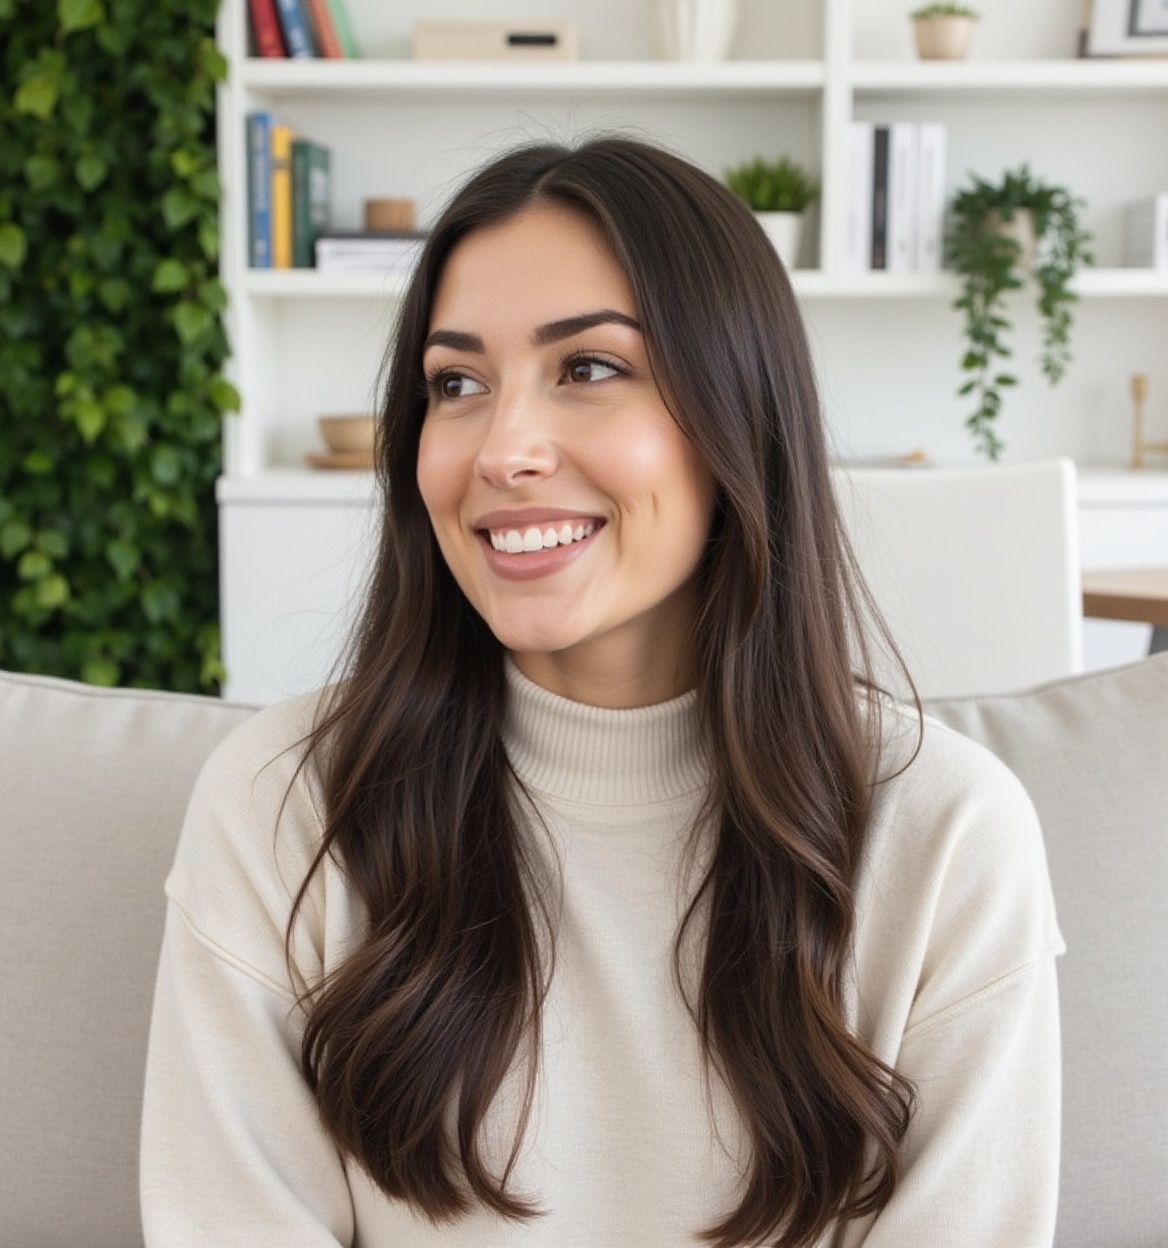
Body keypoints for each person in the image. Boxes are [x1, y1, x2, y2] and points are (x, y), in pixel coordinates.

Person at [140, 136, 1063, 1247]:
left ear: (739, 413)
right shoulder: (285, 810)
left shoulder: (947, 840)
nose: (502, 448)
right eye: (457, 384)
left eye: (587, 368)